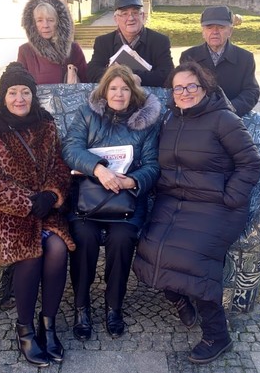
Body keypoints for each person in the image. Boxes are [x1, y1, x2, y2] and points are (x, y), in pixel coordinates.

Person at [133, 61, 260, 364]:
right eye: (178, 87)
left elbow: (251, 163)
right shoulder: (170, 119)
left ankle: (217, 335)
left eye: (192, 86)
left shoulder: (223, 119)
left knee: (193, 259)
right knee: (148, 247)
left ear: (205, 88)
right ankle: (178, 297)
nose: (185, 92)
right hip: (174, 201)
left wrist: (231, 196)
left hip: (217, 206)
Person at [0, 63, 75, 367]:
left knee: (57, 247)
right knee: (29, 251)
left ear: (33, 94)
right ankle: (24, 328)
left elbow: (59, 164)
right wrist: (26, 203)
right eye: (13, 92)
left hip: (43, 204)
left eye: (25, 92)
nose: (19, 99)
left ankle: (48, 323)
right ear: (3, 95)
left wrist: (51, 194)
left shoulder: (45, 122)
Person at [61, 64, 161, 340]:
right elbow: (70, 147)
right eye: (113, 88)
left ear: (133, 92)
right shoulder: (87, 114)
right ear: (104, 91)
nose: (119, 94)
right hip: (88, 198)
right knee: (84, 237)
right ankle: (81, 307)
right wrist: (98, 169)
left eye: (125, 89)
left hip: (126, 200)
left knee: (122, 239)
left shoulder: (146, 124)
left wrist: (132, 181)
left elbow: (153, 165)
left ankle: (113, 306)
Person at [179, 5, 260, 116]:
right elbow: (182, 90)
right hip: (198, 117)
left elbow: (251, 91)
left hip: (232, 117)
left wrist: (230, 109)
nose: (215, 32)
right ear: (203, 32)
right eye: (209, 27)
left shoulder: (245, 58)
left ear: (230, 31)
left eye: (221, 27)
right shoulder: (189, 56)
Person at [87, 0, 174, 87]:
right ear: (116, 19)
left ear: (143, 16)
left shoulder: (160, 41)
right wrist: (125, 76)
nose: (131, 18)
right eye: (124, 14)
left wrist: (137, 77)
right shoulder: (103, 42)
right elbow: (92, 72)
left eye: (135, 13)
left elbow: (167, 74)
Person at [17, 0, 89, 84]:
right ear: (33, 24)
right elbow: (20, 84)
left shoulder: (74, 49)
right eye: (39, 20)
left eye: (50, 20)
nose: (45, 25)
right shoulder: (25, 51)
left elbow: (86, 82)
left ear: (59, 22)